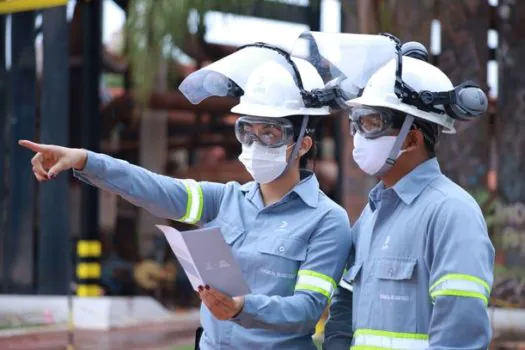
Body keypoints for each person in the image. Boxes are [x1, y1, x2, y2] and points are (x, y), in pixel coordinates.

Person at [20, 44, 351, 350]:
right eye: (247, 131)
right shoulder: (225, 200)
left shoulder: (325, 220)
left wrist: (241, 308)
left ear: (303, 144)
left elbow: (308, 309)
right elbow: (153, 188)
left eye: (270, 132)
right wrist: (85, 159)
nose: (255, 143)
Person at [323, 40, 495, 349]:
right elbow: (345, 304)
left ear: (412, 139)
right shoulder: (372, 214)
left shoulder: (451, 213)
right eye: (357, 123)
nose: (359, 137)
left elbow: (460, 333)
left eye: (372, 123)